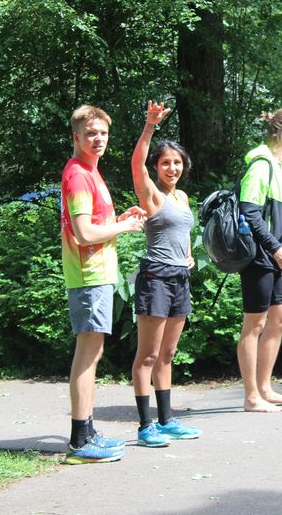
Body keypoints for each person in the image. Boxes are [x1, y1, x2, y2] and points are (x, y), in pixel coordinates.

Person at [61, 104, 147, 464]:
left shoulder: (91, 173)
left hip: (97, 275)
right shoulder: (79, 174)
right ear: (76, 137)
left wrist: (119, 217)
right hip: (88, 276)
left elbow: (96, 223)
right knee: (87, 354)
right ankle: (80, 441)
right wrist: (125, 227)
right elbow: (83, 234)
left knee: (93, 353)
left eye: (103, 134)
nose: (98, 139)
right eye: (91, 133)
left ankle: (88, 431)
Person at [129, 100, 202, 447]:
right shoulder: (152, 196)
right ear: (157, 166)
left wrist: (188, 256)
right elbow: (135, 164)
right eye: (165, 162)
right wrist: (150, 126)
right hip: (156, 279)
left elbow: (183, 234)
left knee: (168, 355)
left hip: (179, 279)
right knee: (147, 355)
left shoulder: (183, 198)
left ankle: (167, 420)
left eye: (177, 162)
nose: (172, 167)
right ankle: (146, 427)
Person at [237, 109, 282, 413]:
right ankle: (251, 397)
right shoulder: (260, 165)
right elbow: (249, 211)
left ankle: (265, 388)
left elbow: (273, 214)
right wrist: (275, 248)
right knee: (254, 325)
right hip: (259, 255)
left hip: (278, 253)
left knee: (280, 318)